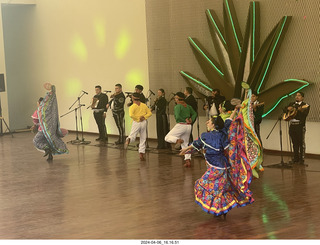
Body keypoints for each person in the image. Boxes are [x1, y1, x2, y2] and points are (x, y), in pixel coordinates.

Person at [180, 107, 253, 217]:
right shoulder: (223, 133)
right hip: (224, 167)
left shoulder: (207, 136)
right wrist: (235, 110)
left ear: (213, 125)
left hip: (216, 168)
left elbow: (196, 144)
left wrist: (185, 150)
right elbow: (228, 120)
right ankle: (222, 210)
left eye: (209, 121)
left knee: (201, 184)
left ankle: (217, 209)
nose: (207, 122)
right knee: (220, 190)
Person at [33, 83, 69, 161]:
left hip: (42, 130)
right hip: (50, 129)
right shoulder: (48, 110)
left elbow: (36, 121)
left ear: (40, 103)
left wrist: (35, 126)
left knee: (36, 141)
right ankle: (50, 155)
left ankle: (46, 149)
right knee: (48, 142)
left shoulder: (40, 110)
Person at [165, 92, 197, 167]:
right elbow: (195, 113)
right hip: (188, 126)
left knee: (167, 137)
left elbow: (177, 117)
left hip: (181, 125)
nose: (175, 99)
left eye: (176, 98)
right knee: (185, 144)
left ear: (179, 99)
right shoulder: (188, 106)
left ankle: (177, 140)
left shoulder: (178, 106)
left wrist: (184, 119)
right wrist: (191, 120)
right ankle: (188, 161)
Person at [125, 93, 152, 160]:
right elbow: (150, 113)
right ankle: (141, 153)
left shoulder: (132, 106)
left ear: (133, 98)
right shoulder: (144, 105)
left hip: (136, 122)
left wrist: (137, 119)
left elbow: (131, 115)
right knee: (143, 138)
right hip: (143, 122)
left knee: (133, 135)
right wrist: (144, 117)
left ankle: (129, 139)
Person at [285, 92, 310, 164]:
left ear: (302, 97)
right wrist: (288, 109)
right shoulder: (292, 104)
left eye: (299, 96)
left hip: (300, 125)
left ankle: (301, 159)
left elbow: (305, 114)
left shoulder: (305, 105)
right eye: (296, 95)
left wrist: (300, 110)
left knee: (301, 142)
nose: (297, 97)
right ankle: (295, 158)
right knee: (294, 142)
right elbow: (284, 110)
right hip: (292, 125)